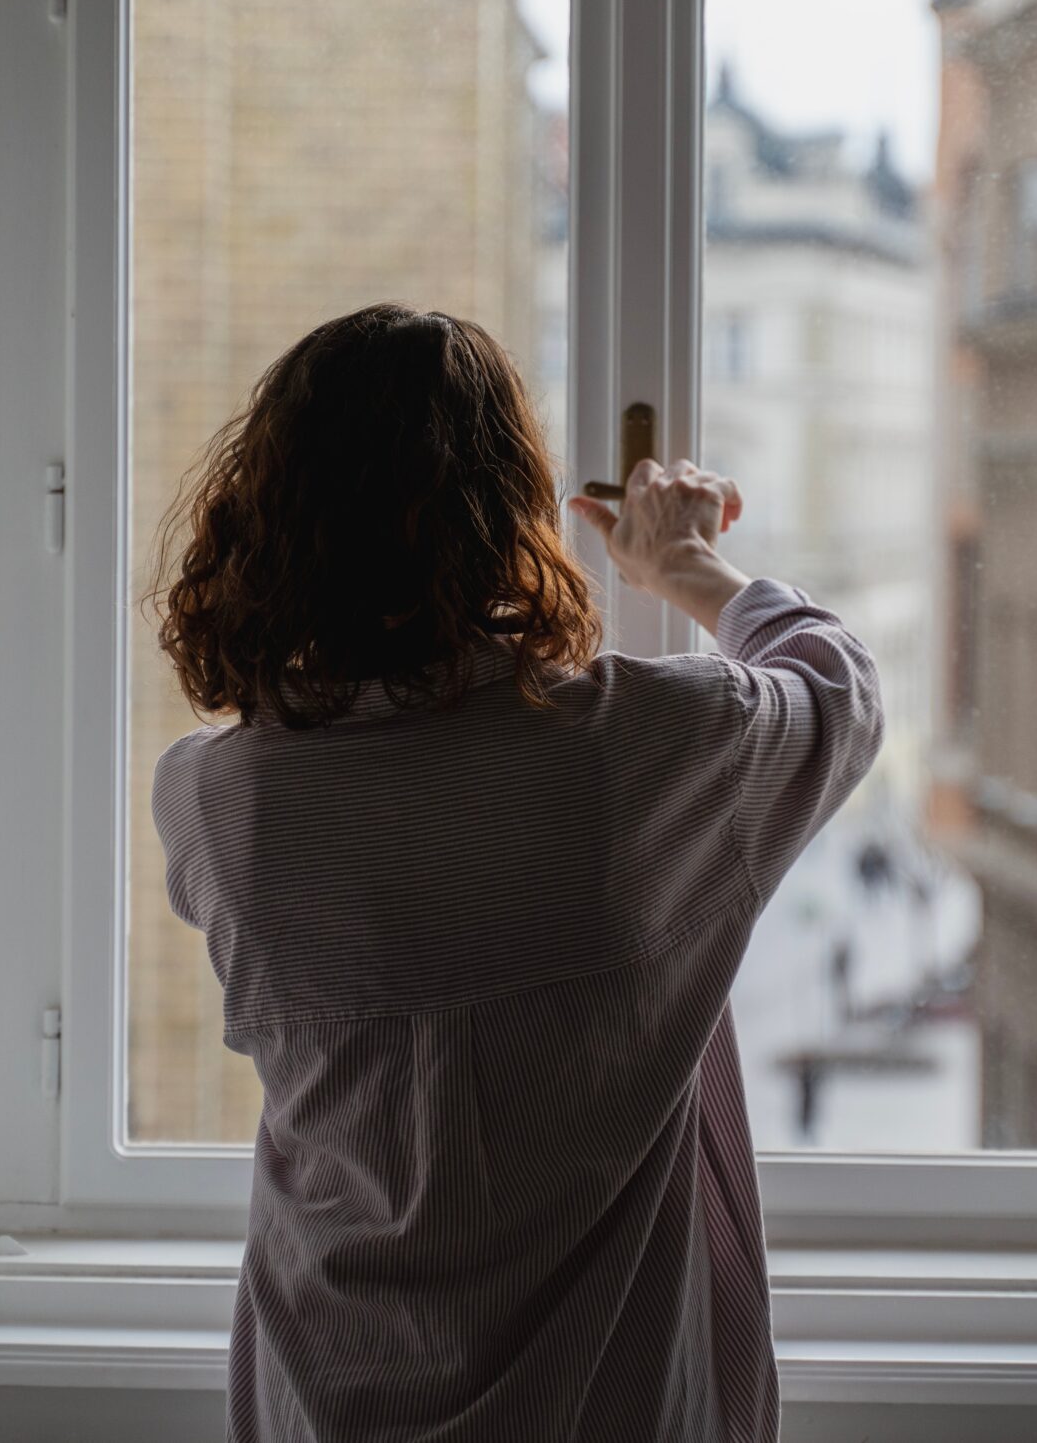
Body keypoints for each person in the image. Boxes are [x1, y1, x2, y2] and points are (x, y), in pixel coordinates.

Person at [150, 303, 883, 1443]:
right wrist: (685, 564)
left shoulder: (214, 800)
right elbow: (838, 689)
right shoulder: (632, 752)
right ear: (503, 514)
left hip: (326, 1397)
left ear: (266, 514)